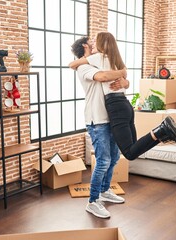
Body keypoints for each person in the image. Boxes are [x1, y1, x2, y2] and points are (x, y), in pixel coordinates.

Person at [69, 32, 176, 162]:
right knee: (134, 148)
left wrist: (123, 79)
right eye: (91, 41)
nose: (93, 44)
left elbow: (73, 65)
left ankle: (163, 129)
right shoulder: (114, 58)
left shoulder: (98, 57)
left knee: (129, 153)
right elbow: (124, 76)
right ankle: (165, 133)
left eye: (95, 41)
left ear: (101, 44)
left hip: (115, 106)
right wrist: (123, 77)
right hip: (125, 105)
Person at [70, 36, 129, 219]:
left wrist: (125, 80)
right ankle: (93, 201)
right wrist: (122, 72)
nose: (96, 45)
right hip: (97, 120)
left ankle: (104, 191)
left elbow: (124, 83)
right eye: (92, 42)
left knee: (114, 157)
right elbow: (103, 77)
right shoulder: (84, 67)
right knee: (103, 160)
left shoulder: (102, 61)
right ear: (85, 46)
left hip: (112, 117)